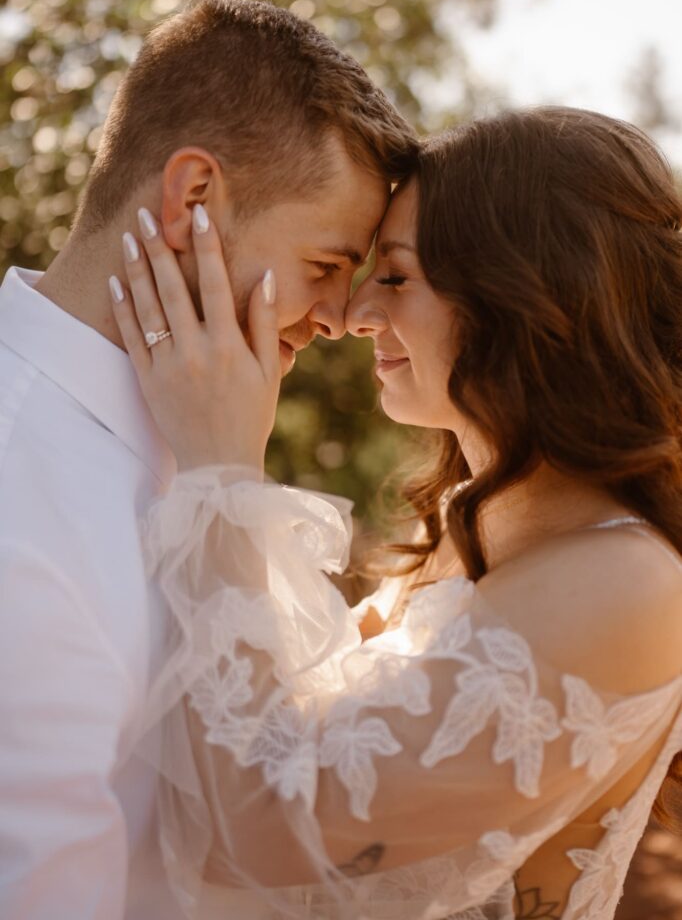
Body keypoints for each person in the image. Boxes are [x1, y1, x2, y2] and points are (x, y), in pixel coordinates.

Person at [110, 106, 682, 919]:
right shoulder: (461, 531)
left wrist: (223, 473)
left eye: (398, 276)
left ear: (523, 293)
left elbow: (265, 832)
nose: (352, 316)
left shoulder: (628, 582)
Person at [0, 0, 417, 920]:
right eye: (324, 265)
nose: (344, 319)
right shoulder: (15, 483)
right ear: (194, 199)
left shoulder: (206, 438)